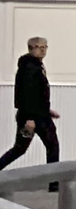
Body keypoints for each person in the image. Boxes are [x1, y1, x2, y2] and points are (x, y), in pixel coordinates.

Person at [0, 36, 60, 173]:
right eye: (40, 47)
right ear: (32, 48)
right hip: (33, 117)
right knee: (26, 148)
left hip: (39, 114)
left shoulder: (34, 65)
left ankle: (54, 180)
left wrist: (47, 110)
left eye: (46, 47)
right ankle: (53, 180)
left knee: (45, 145)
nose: (44, 50)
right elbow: (26, 94)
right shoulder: (30, 68)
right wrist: (29, 118)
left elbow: (37, 94)